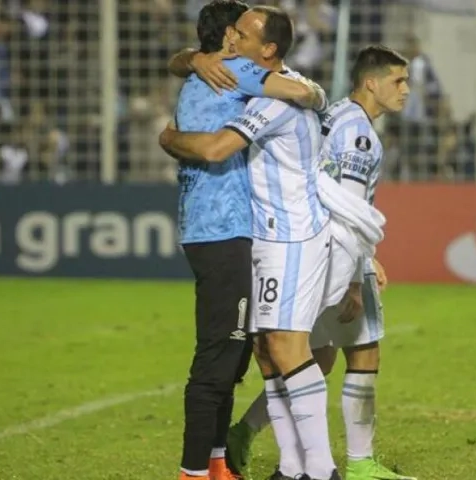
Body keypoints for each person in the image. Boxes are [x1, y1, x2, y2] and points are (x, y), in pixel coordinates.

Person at [160, 6, 340, 480]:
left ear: (267, 48)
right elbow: (299, 94)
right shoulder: (236, 71)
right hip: (231, 231)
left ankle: (262, 465)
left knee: (258, 348)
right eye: (234, 30)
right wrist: (316, 94)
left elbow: (217, 141)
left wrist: (171, 135)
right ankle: (209, 470)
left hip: (260, 232)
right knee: (236, 352)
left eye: (244, 32)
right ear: (224, 36)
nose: (236, 38)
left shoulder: (231, 76)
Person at [222, 45, 417, 480]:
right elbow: (348, 211)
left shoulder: (336, 115)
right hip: (332, 255)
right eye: (398, 81)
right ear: (371, 83)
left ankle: (256, 440)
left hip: (308, 248)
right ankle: (359, 463)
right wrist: (356, 276)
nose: (406, 90)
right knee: (363, 351)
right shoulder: (359, 136)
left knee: (314, 357)